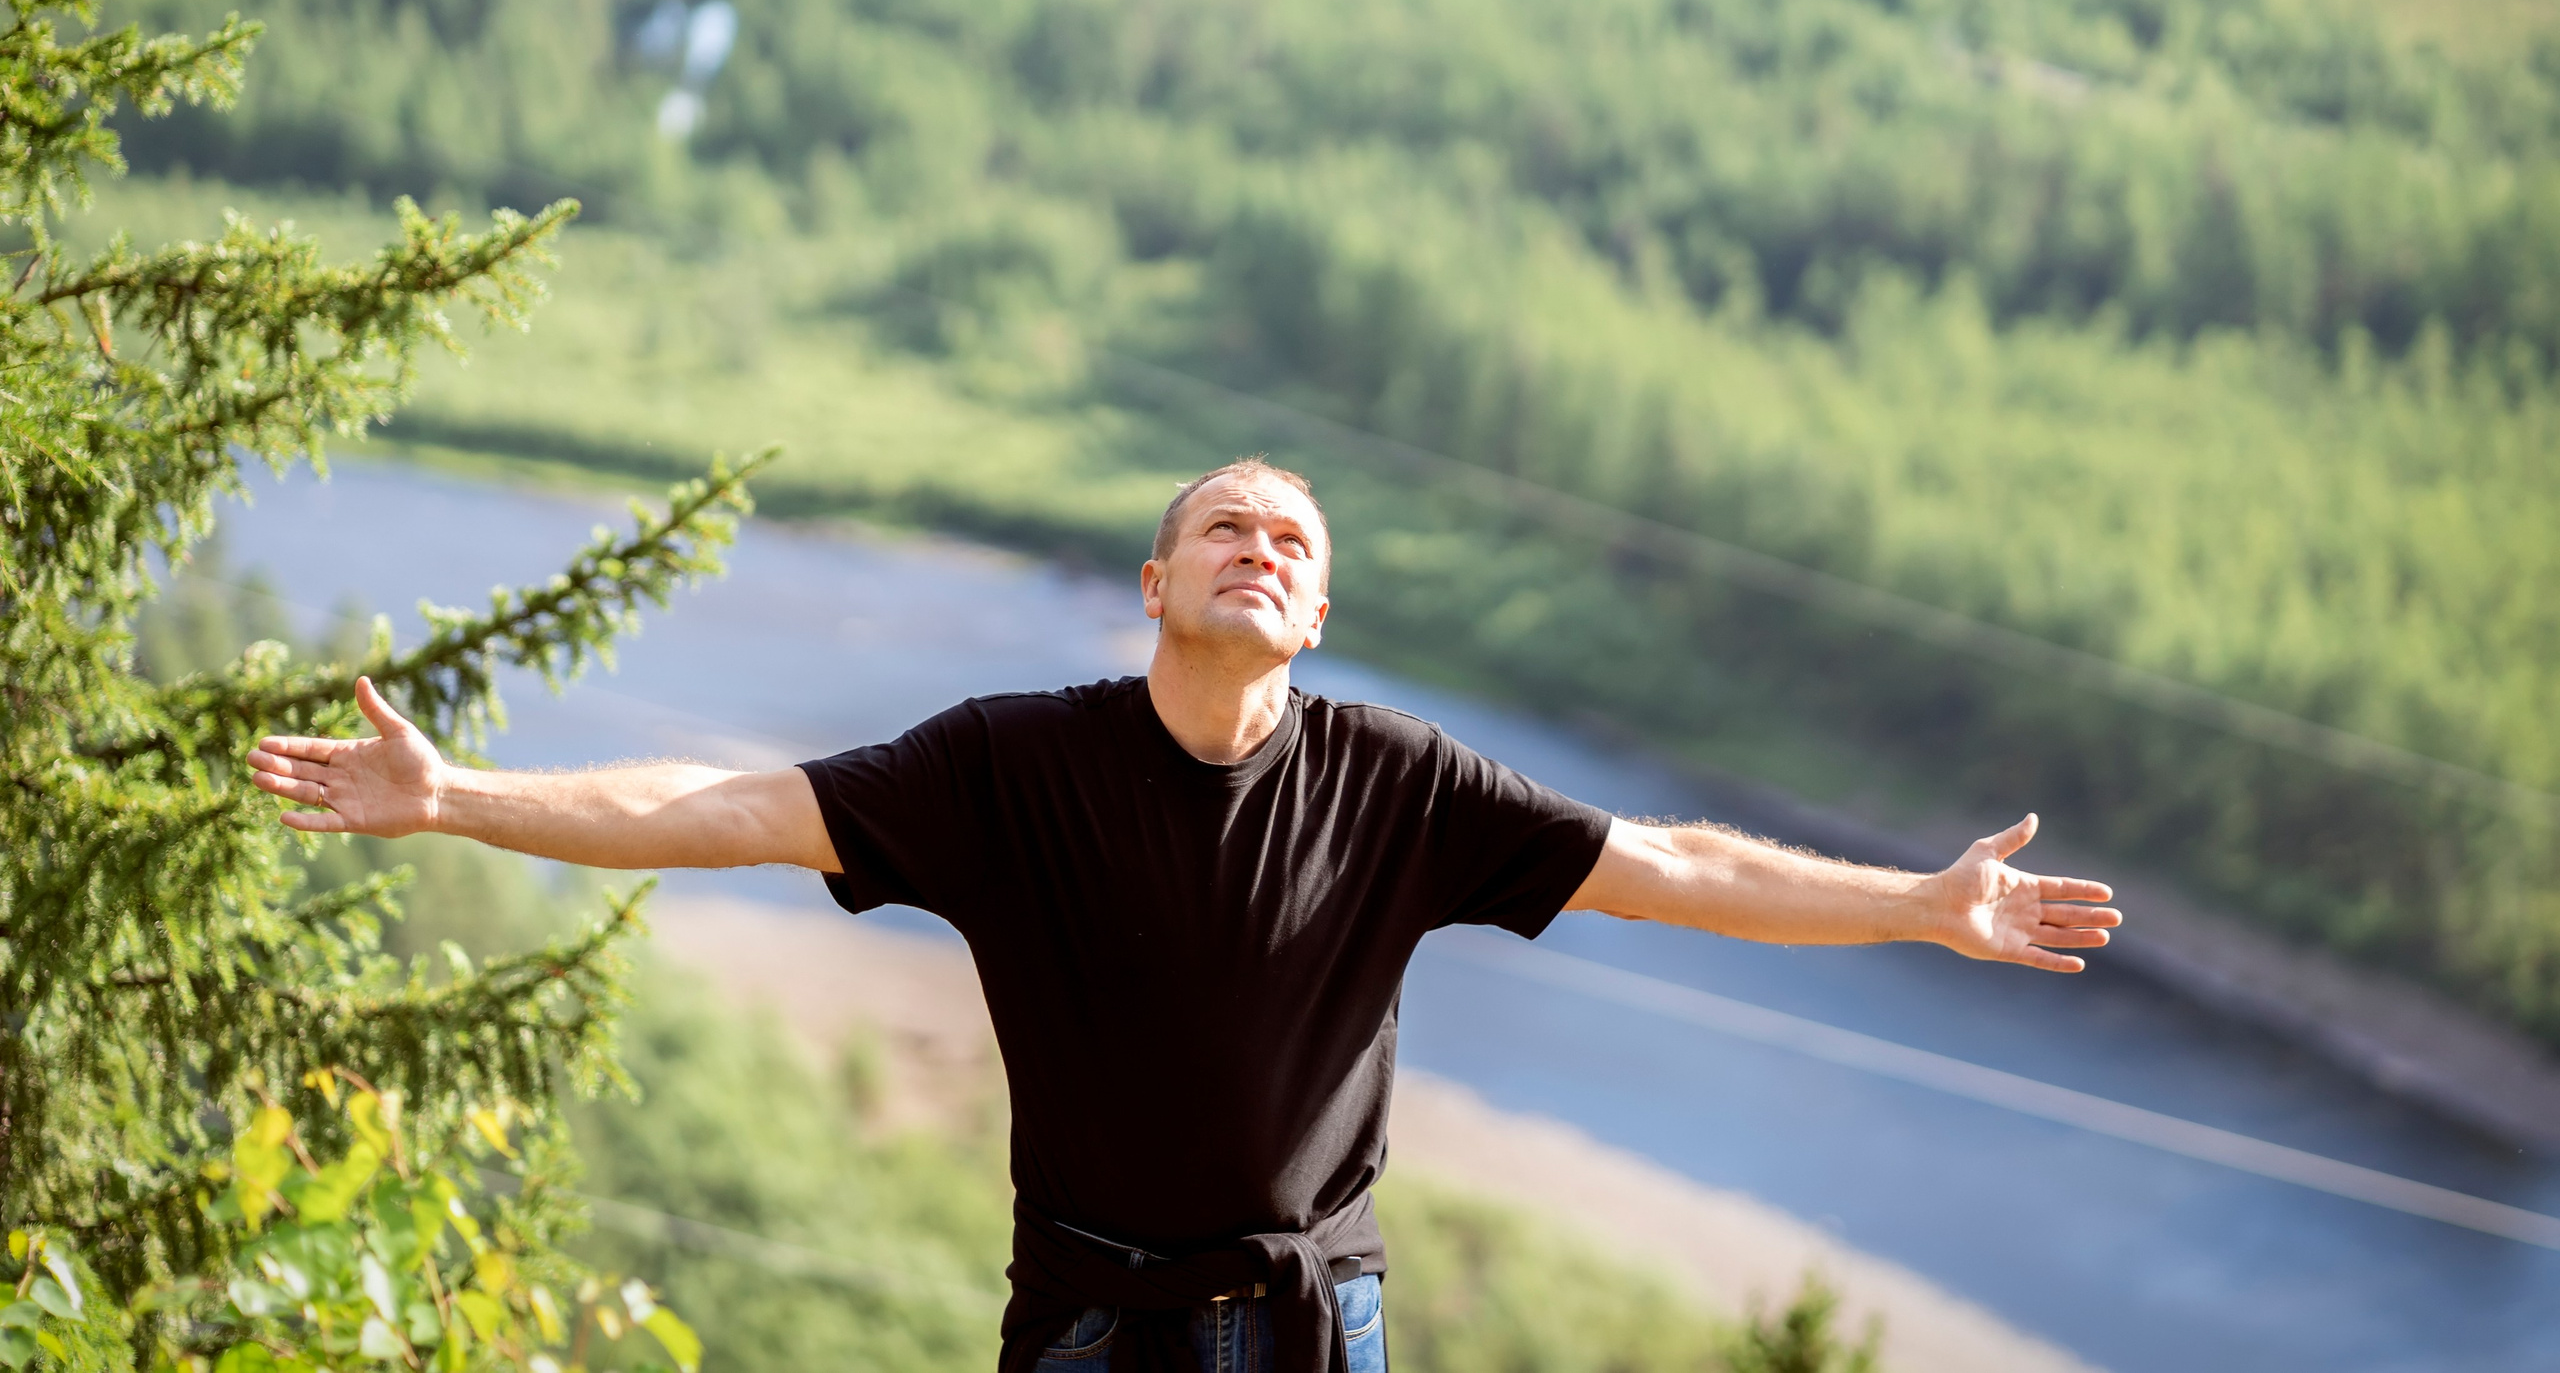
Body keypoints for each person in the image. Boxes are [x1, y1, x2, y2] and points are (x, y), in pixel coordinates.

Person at [249, 458, 2121, 1373]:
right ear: (1156, 577)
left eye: (1294, 543)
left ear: (1314, 618)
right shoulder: (1003, 766)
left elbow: (1678, 863)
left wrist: (1925, 906)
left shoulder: (1400, 784)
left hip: (1323, 1321)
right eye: (1228, 525)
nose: (1261, 547)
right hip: (1085, 1319)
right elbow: (726, 803)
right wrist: (457, 796)